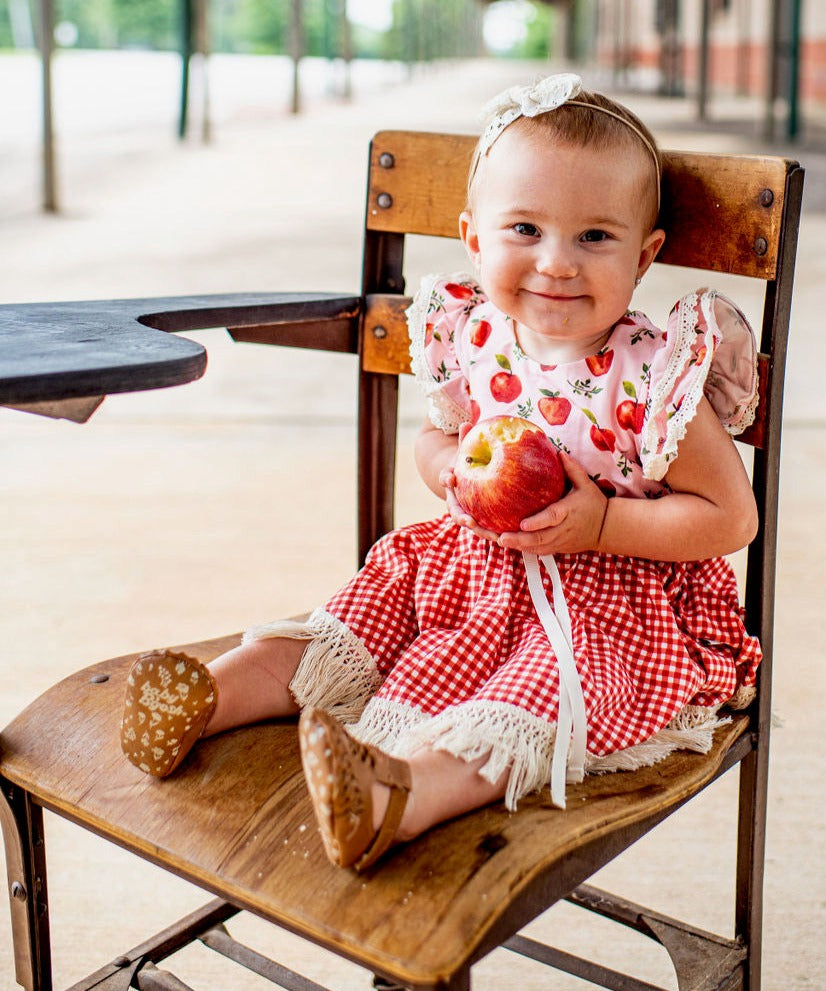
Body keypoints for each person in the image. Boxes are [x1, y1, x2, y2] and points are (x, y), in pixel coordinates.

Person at [120, 72, 763, 874]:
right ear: (474, 239)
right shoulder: (473, 337)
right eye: (524, 228)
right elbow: (436, 441)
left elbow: (730, 518)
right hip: (470, 570)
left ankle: (403, 795)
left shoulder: (647, 375)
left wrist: (602, 523)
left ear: (646, 254)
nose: (556, 263)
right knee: (363, 611)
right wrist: (452, 470)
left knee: (528, 693)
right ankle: (211, 695)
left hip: (607, 603)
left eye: (594, 237)